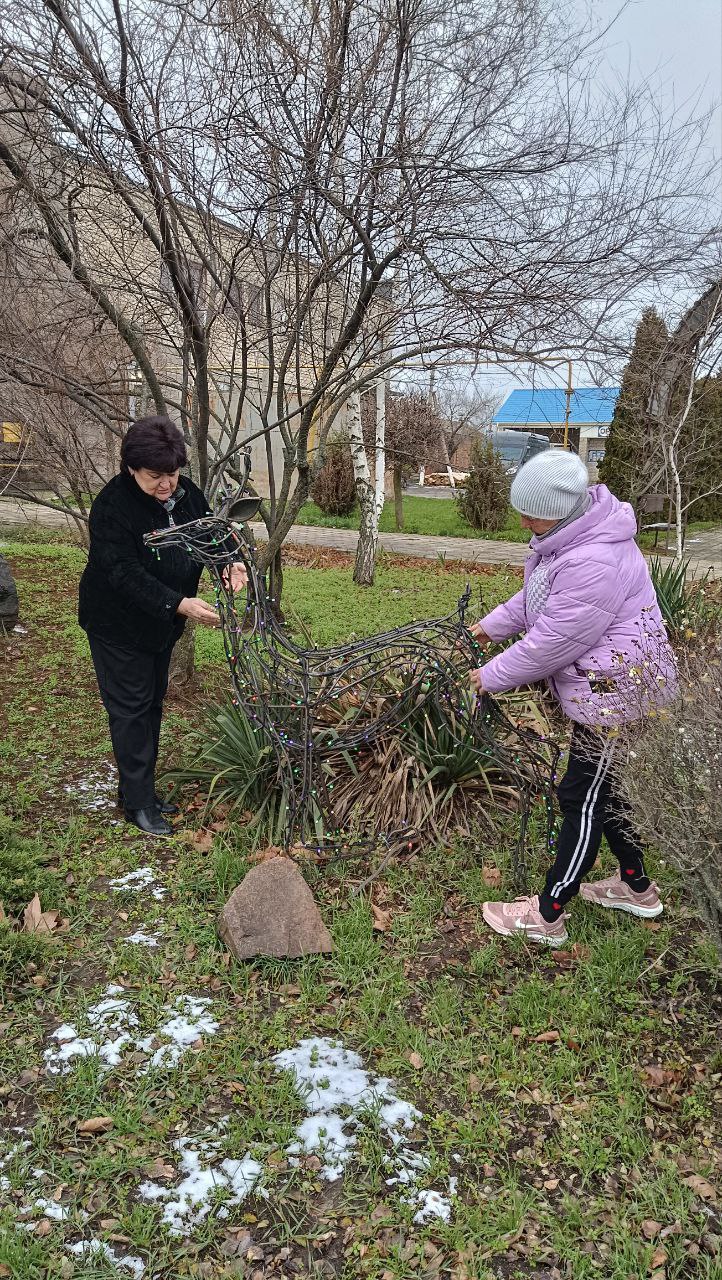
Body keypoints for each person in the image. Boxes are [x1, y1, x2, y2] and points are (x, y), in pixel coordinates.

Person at [469, 450, 676, 945]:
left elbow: (554, 641)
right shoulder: (568, 541)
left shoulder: (594, 559)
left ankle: (548, 915)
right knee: (609, 794)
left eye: (530, 511)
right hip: (612, 689)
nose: (522, 521)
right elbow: (537, 600)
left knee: (581, 798)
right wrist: (490, 627)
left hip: (615, 697)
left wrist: (489, 676)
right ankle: (637, 889)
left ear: (561, 509)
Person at [79, 415, 247, 836]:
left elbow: (212, 531)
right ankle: (137, 804)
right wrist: (179, 603)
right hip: (117, 625)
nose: (167, 484)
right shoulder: (113, 507)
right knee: (131, 709)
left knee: (151, 701)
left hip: (160, 624)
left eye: (172, 474)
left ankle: (141, 791)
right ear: (131, 468)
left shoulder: (186, 493)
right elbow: (123, 573)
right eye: (155, 476)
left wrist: (230, 561)